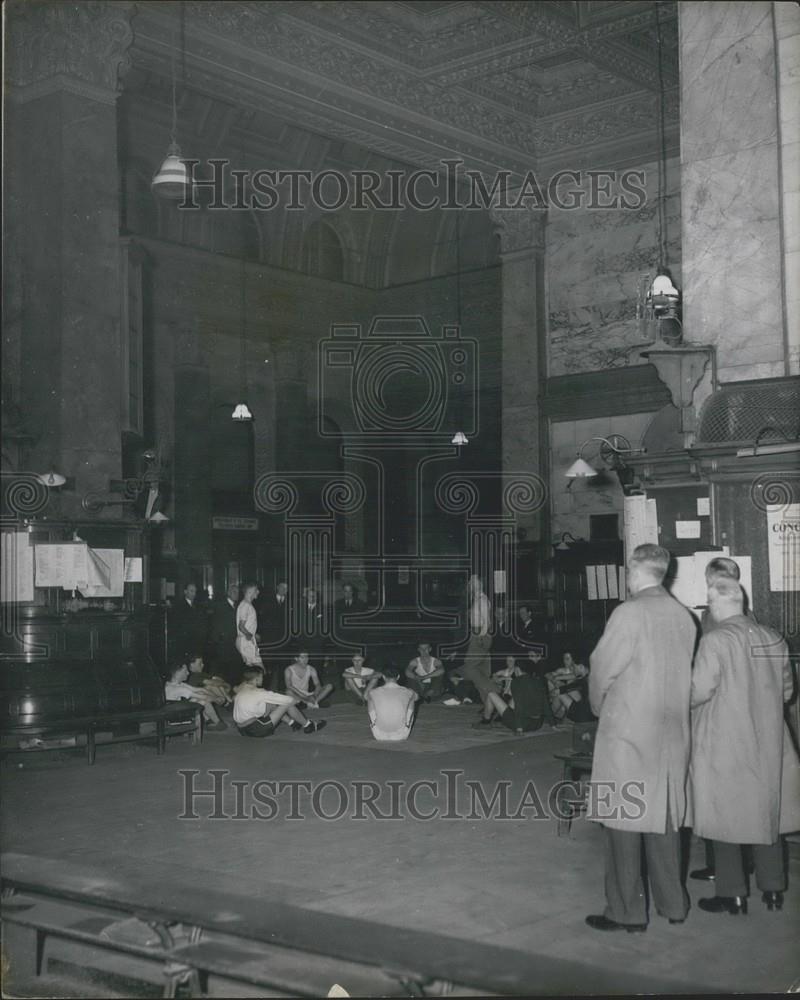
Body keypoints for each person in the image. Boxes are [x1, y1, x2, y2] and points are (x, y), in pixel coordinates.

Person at [585, 543, 697, 933]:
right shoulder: (684, 617)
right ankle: (674, 904)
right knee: (663, 819)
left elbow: (602, 667)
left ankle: (626, 913)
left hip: (629, 730)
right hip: (671, 733)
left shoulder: (629, 612)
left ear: (635, 570)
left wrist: (598, 705)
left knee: (622, 823)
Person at [688, 577, 795, 915]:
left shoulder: (715, 641)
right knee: (768, 816)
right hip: (769, 741)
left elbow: (697, 691)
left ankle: (732, 894)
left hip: (726, 742)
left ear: (716, 605)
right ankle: (773, 889)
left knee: (723, 815)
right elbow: (788, 692)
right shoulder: (774, 638)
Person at [691, 556, 750, 883]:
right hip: (746, 719)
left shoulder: (712, 620)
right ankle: (745, 864)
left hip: (716, 715)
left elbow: (703, 674)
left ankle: (722, 869)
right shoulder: (750, 618)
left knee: (715, 795)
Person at [233, 669, 326, 737]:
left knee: (270, 703)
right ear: (256, 679)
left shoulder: (242, 689)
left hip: (242, 730)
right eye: (261, 676)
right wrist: (301, 700)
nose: (263, 678)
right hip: (256, 729)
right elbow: (288, 700)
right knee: (287, 703)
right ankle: (309, 725)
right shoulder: (259, 693)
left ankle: (293, 723)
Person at [475, 656, 547, 733]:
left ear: (517, 669)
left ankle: (486, 722)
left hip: (522, 724)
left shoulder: (517, 682)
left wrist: (519, 727)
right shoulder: (537, 682)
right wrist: (553, 724)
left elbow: (518, 704)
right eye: (507, 660)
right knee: (511, 699)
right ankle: (501, 718)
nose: (509, 662)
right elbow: (545, 703)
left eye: (511, 661)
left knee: (491, 694)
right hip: (536, 724)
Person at [462, 574, 495, 711]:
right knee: (481, 671)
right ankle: (489, 703)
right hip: (477, 634)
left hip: (481, 635)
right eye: (470, 580)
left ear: (479, 584)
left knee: (469, 667)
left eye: (473, 581)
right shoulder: (475, 599)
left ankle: (496, 691)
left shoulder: (482, 599)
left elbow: (486, 621)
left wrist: (480, 637)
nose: (470, 582)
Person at [164, 663, 226, 731]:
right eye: (185, 671)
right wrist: (216, 699)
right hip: (173, 717)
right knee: (202, 701)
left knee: (199, 697)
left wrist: (216, 697)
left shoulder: (177, 684)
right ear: (178, 672)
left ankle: (211, 722)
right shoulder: (177, 688)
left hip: (175, 710)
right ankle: (217, 723)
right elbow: (202, 697)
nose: (188, 673)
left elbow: (200, 690)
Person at [367, 665, 418, 741]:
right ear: (398, 677)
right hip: (401, 735)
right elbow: (417, 697)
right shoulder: (407, 691)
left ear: (383, 677)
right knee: (412, 699)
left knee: (370, 698)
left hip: (379, 735)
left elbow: (366, 696)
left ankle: (375, 724)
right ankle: (406, 724)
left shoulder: (374, 692)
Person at [209, 583, 241, 685]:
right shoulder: (220, 606)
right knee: (224, 672)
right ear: (228, 593)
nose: (236, 594)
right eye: (234, 592)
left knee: (235, 671)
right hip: (224, 645)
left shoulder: (238, 607)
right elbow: (216, 625)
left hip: (235, 644)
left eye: (237, 592)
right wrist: (220, 641)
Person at [546, 652, 591, 722]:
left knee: (561, 693)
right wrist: (556, 681)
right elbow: (548, 675)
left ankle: (550, 717)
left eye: (567, 659)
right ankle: (554, 715)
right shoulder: (586, 675)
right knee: (560, 689)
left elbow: (572, 685)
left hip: (582, 715)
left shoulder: (581, 679)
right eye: (564, 659)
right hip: (589, 713)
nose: (564, 661)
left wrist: (557, 690)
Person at [170, 582, 207, 665]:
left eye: (195, 591)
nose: (194, 594)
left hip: (196, 642)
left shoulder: (198, 606)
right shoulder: (179, 606)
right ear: (185, 591)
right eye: (191, 591)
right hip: (185, 643)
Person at [235, 582, 264, 672]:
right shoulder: (245, 605)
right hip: (246, 642)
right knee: (260, 670)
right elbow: (241, 626)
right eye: (256, 590)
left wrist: (253, 635)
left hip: (246, 641)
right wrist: (250, 636)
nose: (258, 592)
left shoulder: (247, 605)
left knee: (252, 672)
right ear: (249, 591)